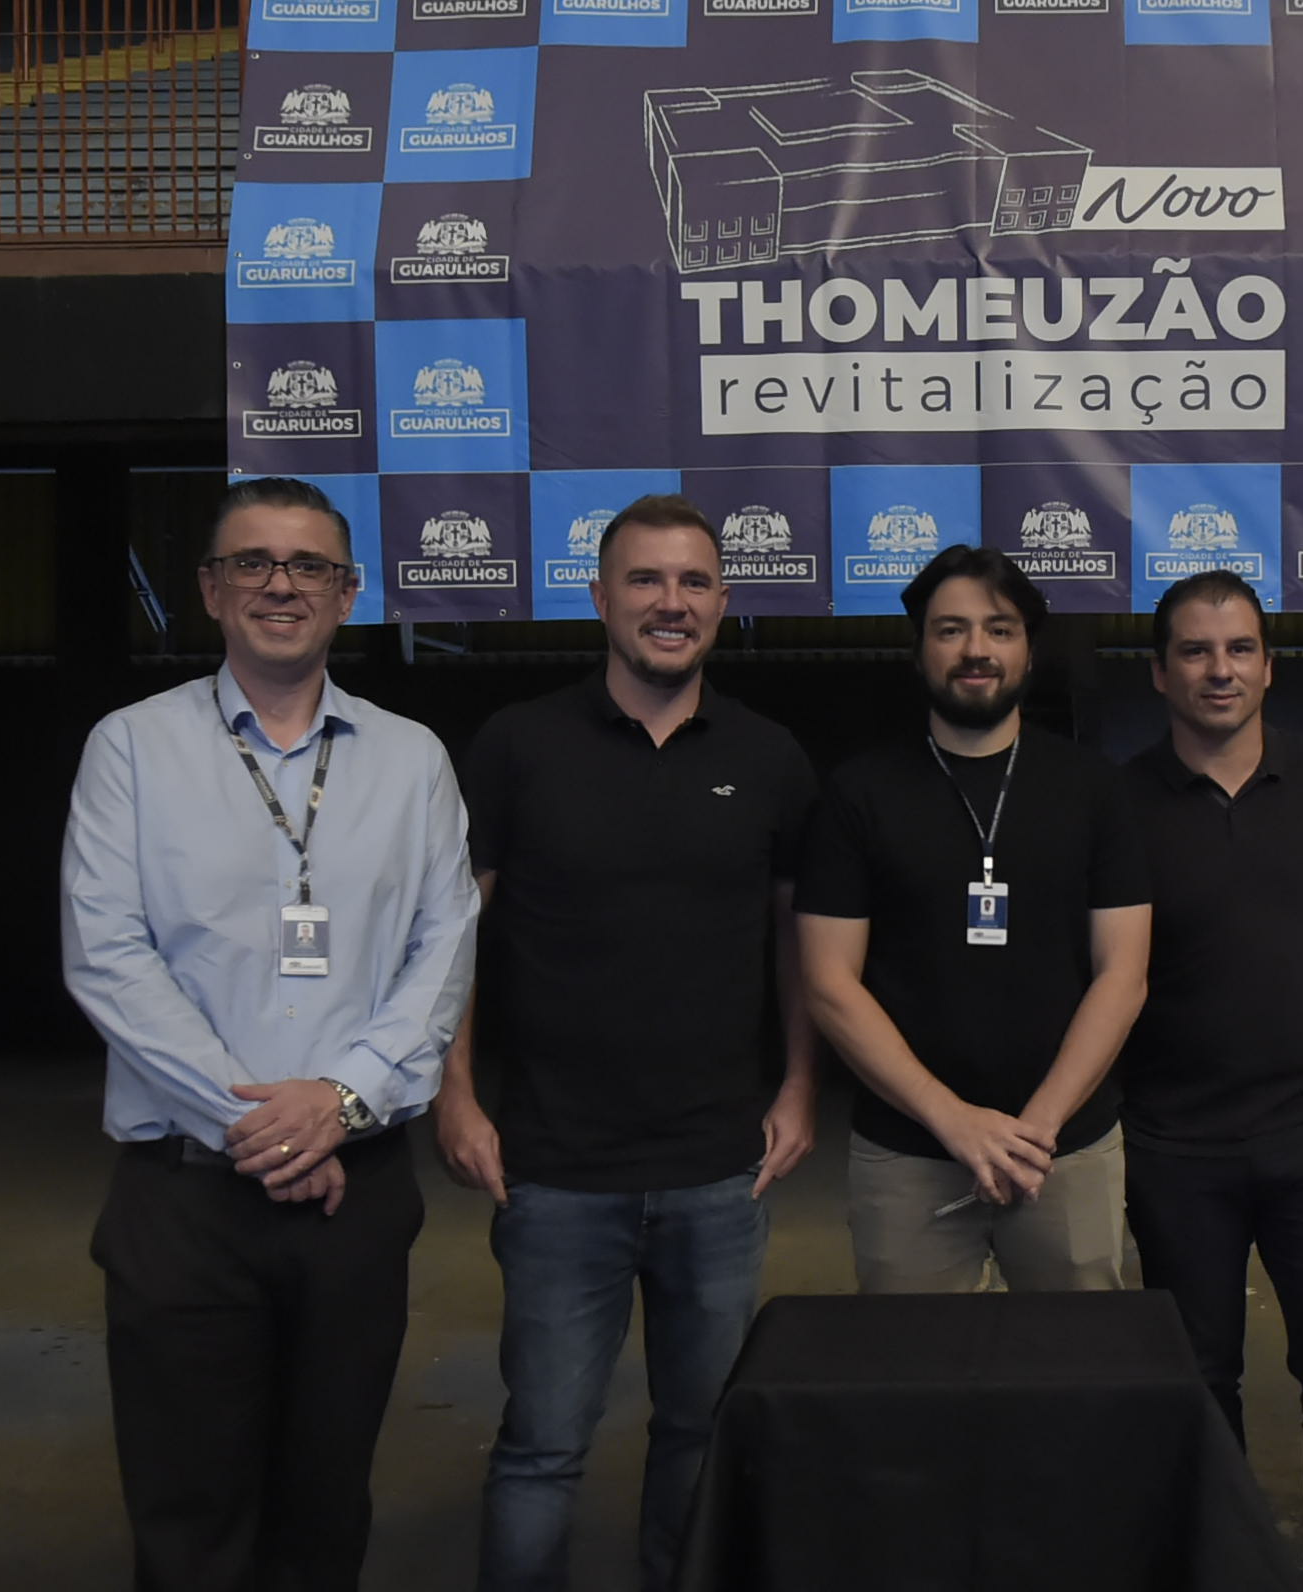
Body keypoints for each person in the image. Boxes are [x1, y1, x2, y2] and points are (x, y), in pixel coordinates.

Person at [62, 476, 480, 1590]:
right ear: (211, 589)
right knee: (188, 1517)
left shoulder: (412, 760)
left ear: (348, 594)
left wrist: (336, 1104)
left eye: (308, 566)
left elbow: (442, 953)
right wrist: (265, 1128)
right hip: (185, 1199)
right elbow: (107, 954)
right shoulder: (131, 748)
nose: (280, 585)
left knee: (324, 1508)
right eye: (253, 561)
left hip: (356, 1194)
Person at [438, 494, 819, 1592]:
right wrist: (454, 1092)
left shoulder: (770, 757)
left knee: (701, 1434)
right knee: (542, 1446)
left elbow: (798, 945)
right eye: (645, 579)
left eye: (693, 581)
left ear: (723, 603)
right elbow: (453, 935)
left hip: (719, 1169)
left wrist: (801, 1085)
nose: (670, 601)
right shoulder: (519, 744)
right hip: (556, 1170)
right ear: (599, 597)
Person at [1117, 570, 1303, 1592]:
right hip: (1173, 1146)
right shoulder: (1119, 804)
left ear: (1270, 666)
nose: (1219, 669)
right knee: (1198, 1386)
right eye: (1195, 650)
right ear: (1160, 673)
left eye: (1239, 649)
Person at [796, 544, 1151, 1291]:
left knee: (1079, 1360)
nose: (975, 650)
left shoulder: (1096, 789)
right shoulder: (859, 794)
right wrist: (952, 1118)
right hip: (908, 1153)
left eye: (999, 629)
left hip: (1064, 1150)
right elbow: (829, 982)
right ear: (919, 649)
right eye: (950, 629)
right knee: (916, 1362)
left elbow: (1123, 975)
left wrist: (1037, 1129)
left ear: (1029, 651)